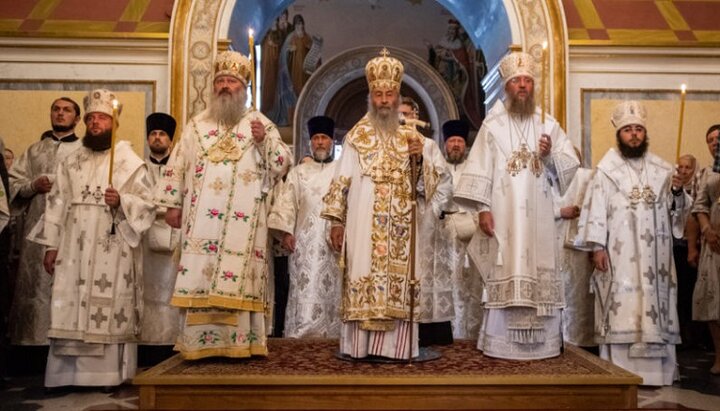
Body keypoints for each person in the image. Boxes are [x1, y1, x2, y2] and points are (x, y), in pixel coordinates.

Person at [156, 51, 292, 360]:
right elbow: (177, 165)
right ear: (212, 88)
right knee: (200, 274)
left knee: (240, 279)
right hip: (200, 219)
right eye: (220, 81)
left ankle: (241, 343)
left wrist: (264, 142)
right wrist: (172, 205)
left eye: (231, 81)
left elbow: (283, 163)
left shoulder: (259, 124)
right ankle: (200, 345)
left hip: (245, 225)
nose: (225, 87)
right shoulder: (196, 125)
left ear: (243, 89)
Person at [321, 48, 452, 359]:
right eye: (378, 94)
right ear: (371, 96)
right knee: (362, 275)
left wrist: (418, 158)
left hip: (401, 224)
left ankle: (396, 349)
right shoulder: (356, 136)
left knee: (400, 281)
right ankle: (361, 348)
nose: (383, 100)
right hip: (362, 222)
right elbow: (341, 179)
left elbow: (428, 186)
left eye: (389, 94)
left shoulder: (411, 138)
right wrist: (337, 221)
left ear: (397, 97)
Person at [454, 51, 579, 360]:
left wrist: (549, 157)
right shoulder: (492, 126)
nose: (522, 86)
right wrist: (483, 208)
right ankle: (500, 343)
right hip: (503, 214)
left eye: (527, 81)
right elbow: (480, 167)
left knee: (538, 268)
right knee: (505, 266)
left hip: (538, 219)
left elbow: (569, 165)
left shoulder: (548, 124)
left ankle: (544, 345)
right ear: (506, 87)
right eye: (516, 81)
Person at [33, 89, 154, 388]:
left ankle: (108, 376)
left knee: (107, 307)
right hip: (73, 244)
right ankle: (64, 377)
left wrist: (122, 201)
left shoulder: (128, 160)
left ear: (113, 122)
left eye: (102, 117)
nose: (96, 123)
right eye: (91, 118)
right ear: (85, 123)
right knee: (69, 305)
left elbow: (148, 203)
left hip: (111, 246)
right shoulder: (70, 160)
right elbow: (57, 201)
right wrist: (51, 245)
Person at [577, 100, 688, 386]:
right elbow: (596, 210)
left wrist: (677, 191)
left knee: (655, 307)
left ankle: (659, 374)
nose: (634, 134)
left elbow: (676, 214)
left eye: (639, 129)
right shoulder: (606, 171)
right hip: (620, 255)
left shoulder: (662, 170)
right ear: (620, 134)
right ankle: (619, 372)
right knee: (621, 306)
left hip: (656, 259)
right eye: (628, 130)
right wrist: (597, 247)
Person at [7, 97, 83, 346]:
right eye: (56, 110)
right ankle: (32, 344)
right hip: (35, 231)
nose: (60, 114)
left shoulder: (84, 151)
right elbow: (10, 183)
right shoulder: (33, 151)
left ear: (77, 118)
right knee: (35, 286)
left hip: (71, 229)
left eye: (67, 110)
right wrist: (32, 185)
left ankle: (64, 341)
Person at [268, 115, 341, 338]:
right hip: (304, 245)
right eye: (316, 138)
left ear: (332, 142)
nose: (320, 142)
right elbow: (287, 203)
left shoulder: (342, 171)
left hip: (334, 244)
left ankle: (335, 334)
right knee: (303, 290)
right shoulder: (298, 173)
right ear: (310, 142)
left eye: (324, 138)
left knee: (333, 291)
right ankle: (300, 334)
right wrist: (285, 233)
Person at [139, 113, 181, 363]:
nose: (157, 138)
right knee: (147, 291)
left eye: (162, 134)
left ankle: (170, 342)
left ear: (170, 141)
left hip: (174, 236)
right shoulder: (139, 169)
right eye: (153, 134)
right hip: (145, 237)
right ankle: (146, 345)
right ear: (147, 139)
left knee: (171, 290)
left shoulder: (179, 170)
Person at [441, 120, 484, 339]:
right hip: (445, 238)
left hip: (472, 237)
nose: (456, 145)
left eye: (459, 141)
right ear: (445, 144)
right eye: (452, 141)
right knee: (449, 287)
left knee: (471, 288)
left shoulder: (475, 170)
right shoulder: (438, 169)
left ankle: (472, 335)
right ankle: (448, 336)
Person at [553, 148, 595, 348]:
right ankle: (555, 337)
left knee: (578, 293)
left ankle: (579, 338)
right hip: (552, 242)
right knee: (557, 291)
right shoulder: (548, 178)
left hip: (579, 247)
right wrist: (560, 211)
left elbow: (597, 205)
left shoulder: (588, 177)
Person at [692, 124, 720, 374]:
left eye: (719, 138)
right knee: (713, 300)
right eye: (710, 139)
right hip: (715, 242)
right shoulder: (707, 173)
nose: (715, 142)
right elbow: (699, 205)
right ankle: (719, 356)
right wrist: (707, 229)